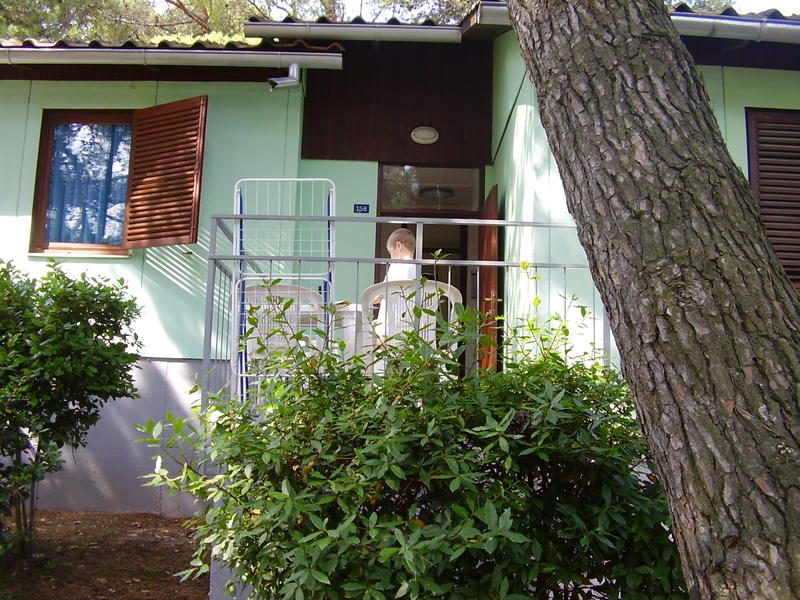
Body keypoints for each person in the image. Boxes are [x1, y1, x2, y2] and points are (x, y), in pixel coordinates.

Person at [373, 228, 417, 339]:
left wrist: (376, 296)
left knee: (368, 339)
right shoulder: (417, 269)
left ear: (398, 245)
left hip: (391, 328)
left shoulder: (398, 266)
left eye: (391, 253)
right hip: (411, 327)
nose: (391, 258)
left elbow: (381, 291)